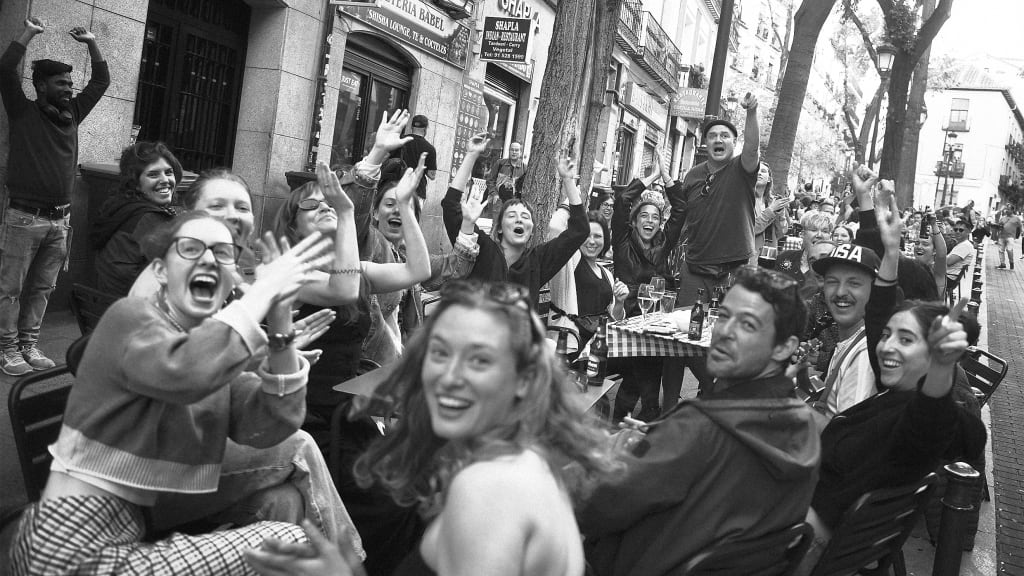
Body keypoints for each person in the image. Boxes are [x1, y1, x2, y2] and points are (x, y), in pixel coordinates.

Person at [9, 212, 345, 574]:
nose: (208, 259)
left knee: (282, 502)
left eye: (223, 252)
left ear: (231, 279)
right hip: (64, 551)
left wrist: (281, 327)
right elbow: (186, 370)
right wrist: (264, 293)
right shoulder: (130, 317)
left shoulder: (209, 352)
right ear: (160, 271)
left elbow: (269, 427)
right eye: (190, 248)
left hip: (128, 534)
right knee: (295, 542)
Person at [245, 279, 623, 576]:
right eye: (440, 353)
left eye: (479, 360)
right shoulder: (514, 460)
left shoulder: (491, 487)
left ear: (523, 380)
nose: (450, 376)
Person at [577, 265, 820, 576]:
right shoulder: (805, 425)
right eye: (723, 316)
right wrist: (658, 440)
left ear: (785, 347)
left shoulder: (697, 430)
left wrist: (611, 458)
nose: (724, 332)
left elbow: (592, 509)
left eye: (747, 324)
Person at [800, 176, 987, 574]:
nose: (886, 347)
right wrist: (888, 251)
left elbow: (934, 425)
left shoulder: (914, 419)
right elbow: (878, 311)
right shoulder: (893, 391)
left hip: (799, 544)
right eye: (886, 336)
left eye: (906, 340)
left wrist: (941, 369)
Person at [0, 17, 109, 375]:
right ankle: (6, 349)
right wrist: (28, 33)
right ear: (40, 85)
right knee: (10, 288)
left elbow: (101, 82)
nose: (69, 89)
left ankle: (28, 344)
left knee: (42, 289)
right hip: (23, 218)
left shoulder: (73, 113)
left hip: (60, 221)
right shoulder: (22, 110)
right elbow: (5, 69)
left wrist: (91, 42)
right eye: (61, 83)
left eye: (70, 83)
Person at [442, 133, 587, 310]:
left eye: (525, 217)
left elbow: (579, 231)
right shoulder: (481, 249)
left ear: (531, 231)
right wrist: (471, 155)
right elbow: (451, 207)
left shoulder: (539, 261)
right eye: (511, 216)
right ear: (499, 228)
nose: (519, 219)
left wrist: (568, 180)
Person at [671, 93, 762, 307]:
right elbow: (681, 218)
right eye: (712, 136)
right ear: (705, 143)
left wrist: (751, 112)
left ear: (734, 143)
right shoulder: (692, 175)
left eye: (725, 136)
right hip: (695, 267)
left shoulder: (743, 168)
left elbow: (752, 148)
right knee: (688, 321)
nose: (718, 140)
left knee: (731, 324)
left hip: (736, 268)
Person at [92, 142, 181, 296]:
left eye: (168, 172)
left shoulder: (120, 208)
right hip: (137, 304)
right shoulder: (151, 220)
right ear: (135, 184)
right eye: (153, 175)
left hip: (109, 303)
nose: (165, 180)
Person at [810, 243, 880, 417]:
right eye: (832, 282)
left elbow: (849, 430)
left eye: (854, 283)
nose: (840, 292)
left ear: (875, 291)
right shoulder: (850, 341)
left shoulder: (865, 353)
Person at [547, 210, 628, 353]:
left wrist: (620, 302)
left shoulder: (607, 274)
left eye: (597, 236)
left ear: (605, 240)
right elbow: (555, 227)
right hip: (572, 344)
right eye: (586, 235)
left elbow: (615, 320)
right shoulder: (569, 263)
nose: (591, 241)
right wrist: (572, 202)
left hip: (599, 345)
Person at [775, 212, 835, 288]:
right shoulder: (785, 257)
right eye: (814, 230)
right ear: (802, 234)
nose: (819, 235)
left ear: (830, 236)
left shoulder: (833, 264)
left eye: (825, 231)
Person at [749, 161, 789, 265]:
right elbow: (749, 230)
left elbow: (781, 232)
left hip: (769, 255)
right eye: (756, 171)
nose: (759, 173)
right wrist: (770, 210)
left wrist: (780, 214)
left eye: (763, 171)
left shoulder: (774, 201)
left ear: (769, 179)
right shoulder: (744, 200)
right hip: (749, 256)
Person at [389, 114, 437, 200]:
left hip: (395, 187)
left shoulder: (400, 140)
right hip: (417, 191)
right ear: (425, 128)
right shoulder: (430, 148)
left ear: (411, 126)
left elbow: (387, 158)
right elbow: (432, 175)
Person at [945, 218, 974, 289]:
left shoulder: (965, 246)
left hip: (948, 278)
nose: (957, 232)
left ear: (968, 231)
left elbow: (948, 262)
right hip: (946, 276)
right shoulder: (961, 244)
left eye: (961, 230)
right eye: (955, 230)